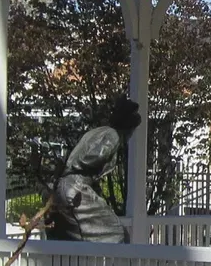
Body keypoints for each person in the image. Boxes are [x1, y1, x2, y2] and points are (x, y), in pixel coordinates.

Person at [47, 97, 142, 243]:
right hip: (76, 188)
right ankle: (116, 264)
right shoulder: (113, 136)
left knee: (70, 237)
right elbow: (91, 158)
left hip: (65, 187)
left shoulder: (98, 131)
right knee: (116, 234)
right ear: (128, 127)